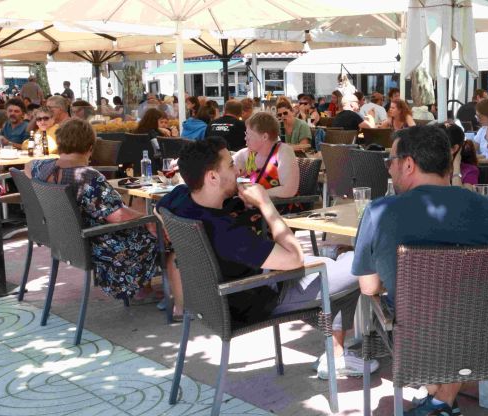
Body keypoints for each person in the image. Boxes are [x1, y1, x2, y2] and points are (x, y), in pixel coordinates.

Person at [352, 125, 488, 416]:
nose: (389, 169)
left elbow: (369, 288)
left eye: (391, 161)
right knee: (463, 306)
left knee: (424, 311)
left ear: (408, 164)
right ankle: (442, 402)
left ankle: (439, 400)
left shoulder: (379, 212)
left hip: (422, 346)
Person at [156, 137, 377, 378]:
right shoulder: (227, 233)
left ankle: (335, 354)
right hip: (261, 297)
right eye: (231, 165)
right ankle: (346, 349)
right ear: (212, 177)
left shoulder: (180, 197)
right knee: (366, 262)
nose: (238, 169)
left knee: (330, 265)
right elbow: (294, 259)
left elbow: (159, 210)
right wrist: (266, 204)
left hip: (218, 300)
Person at [25, 119, 160, 301]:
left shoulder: (44, 167)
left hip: (67, 241)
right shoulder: (89, 177)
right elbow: (118, 216)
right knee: (157, 230)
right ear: (90, 147)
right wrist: (150, 218)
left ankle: (143, 287)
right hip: (97, 242)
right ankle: (148, 290)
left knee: (147, 225)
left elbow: (27, 166)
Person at [233, 112, 299, 199]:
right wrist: (240, 181)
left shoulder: (283, 152)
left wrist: (255, 195)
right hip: (251, 206)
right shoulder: (248, 154)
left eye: (248, 134)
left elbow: (288, 190)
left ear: (264, 137)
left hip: (279, 208)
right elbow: (235, 179)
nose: (245, 138)